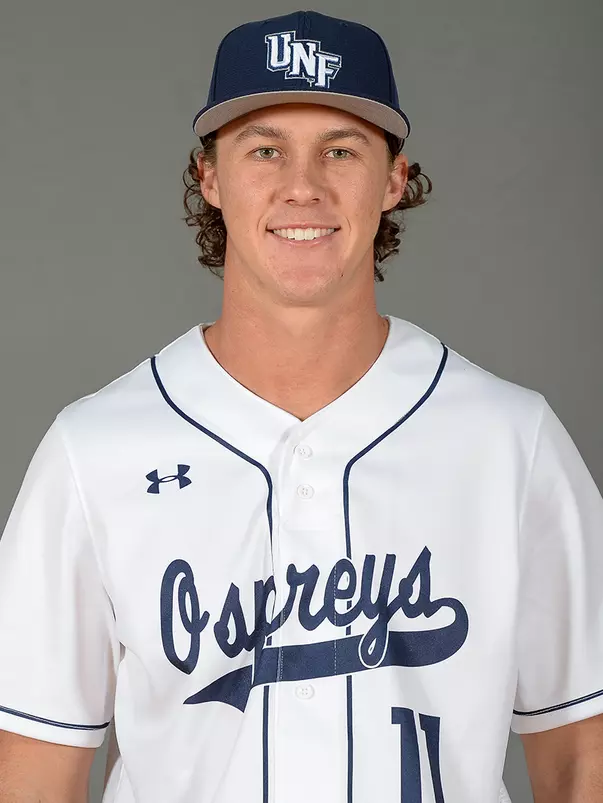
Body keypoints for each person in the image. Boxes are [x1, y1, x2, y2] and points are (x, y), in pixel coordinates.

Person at [0, 9, 602, 803]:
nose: (303, 186)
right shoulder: (94, 450)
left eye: (341, 150)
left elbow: (580, 757)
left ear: (394, 179)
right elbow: (32, 770)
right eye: (264, 149)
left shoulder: (509, 440)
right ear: (209, 177)